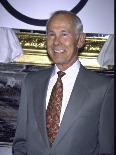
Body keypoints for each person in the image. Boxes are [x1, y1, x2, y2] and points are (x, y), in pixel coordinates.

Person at [12, 10, 114, 155]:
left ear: (80, 40)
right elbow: (21, 142)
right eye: (51, 34)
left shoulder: (103, 88)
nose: (56, 42)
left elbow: (107, 149)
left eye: (64, 34)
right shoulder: (31, 82)